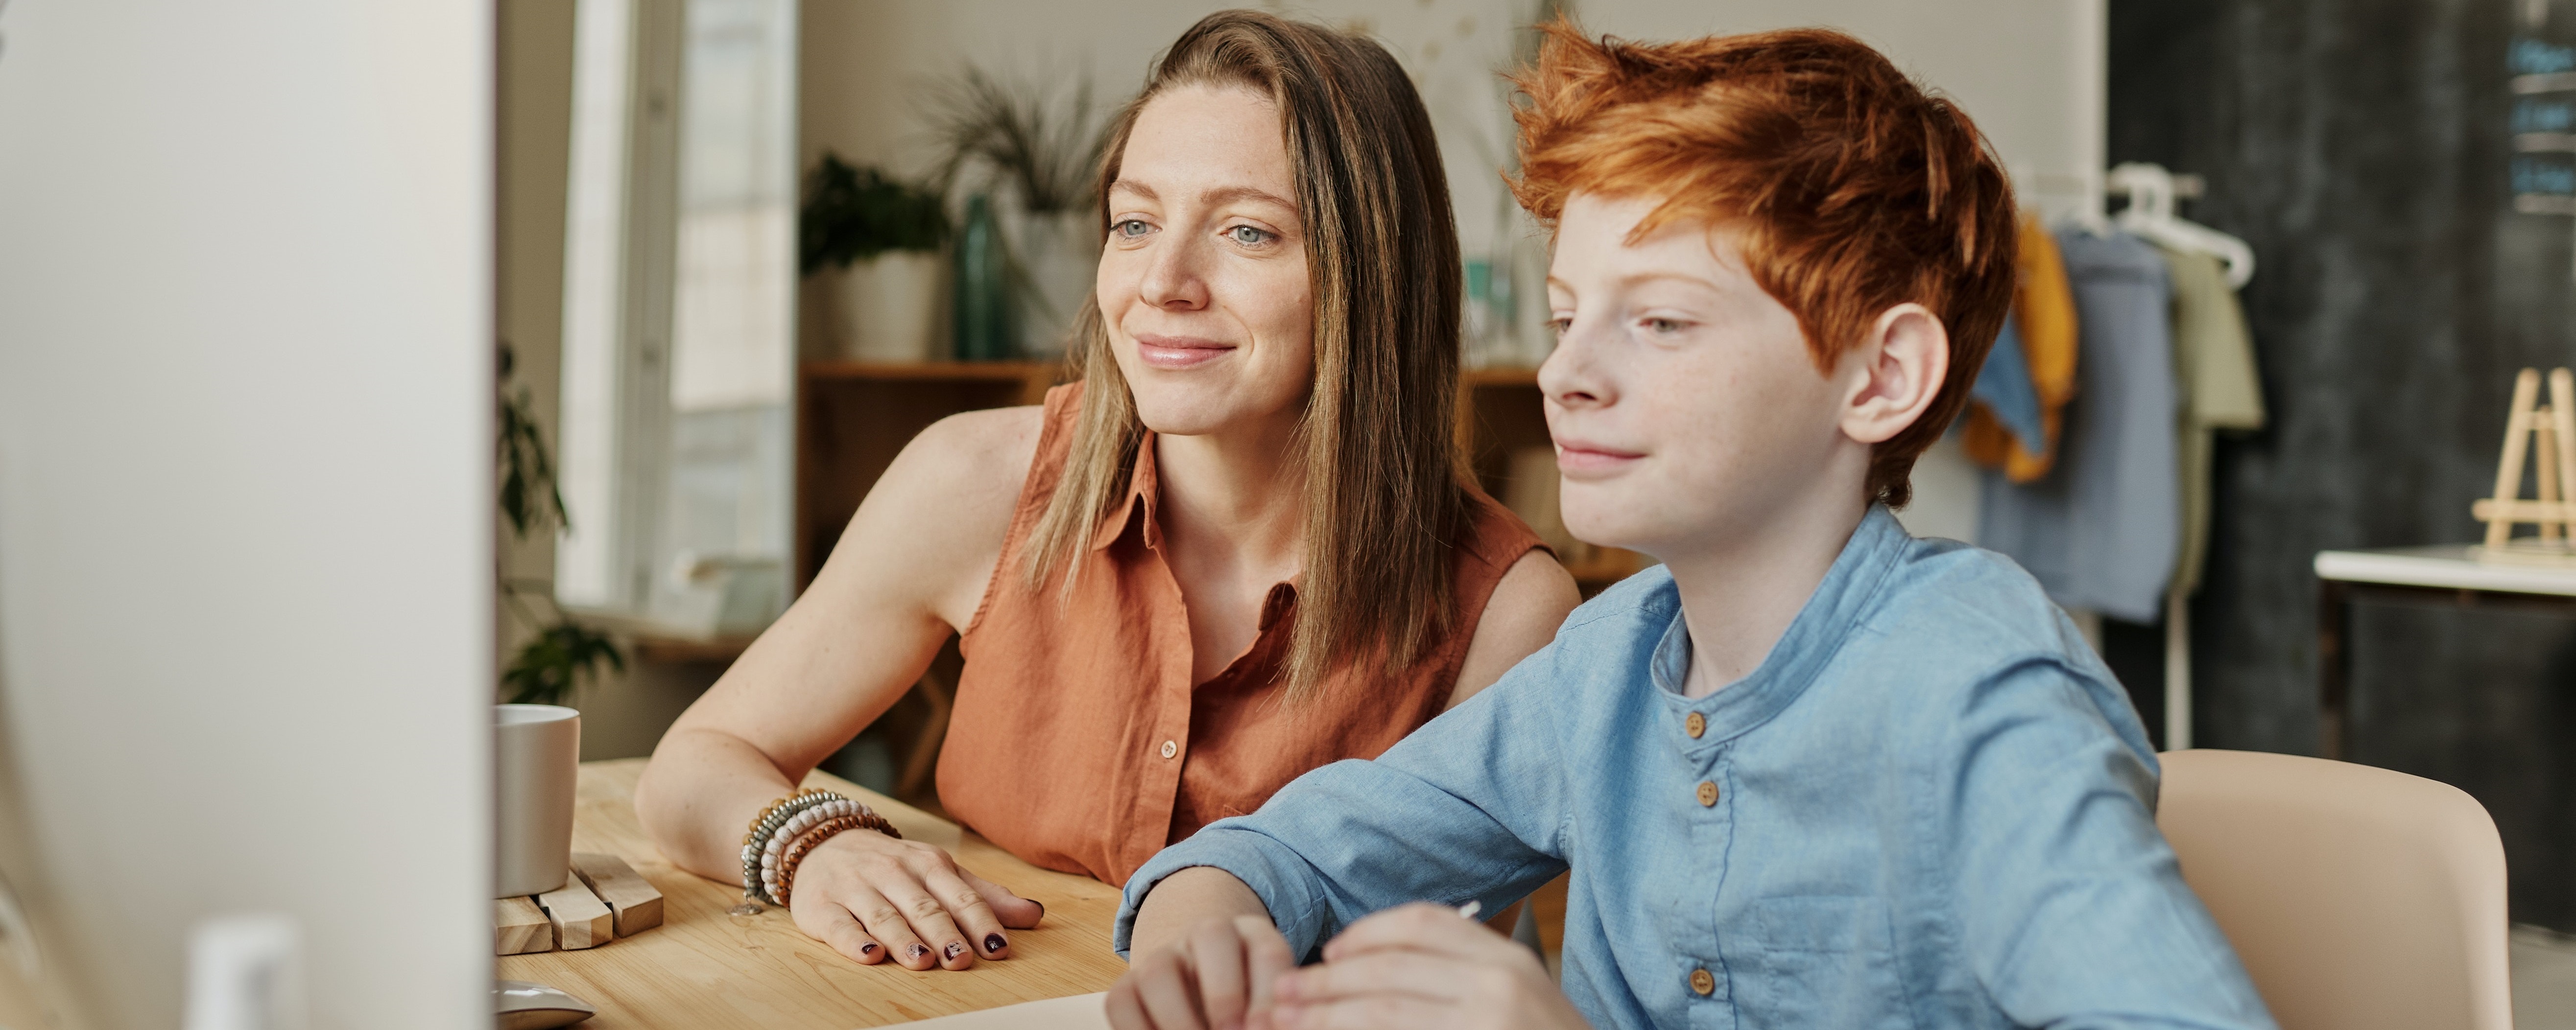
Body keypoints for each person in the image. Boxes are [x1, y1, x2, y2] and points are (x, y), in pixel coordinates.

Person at [1107, 23, 2278, 1030]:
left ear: (1879, 376)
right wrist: (1200, 930)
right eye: (1569, 314)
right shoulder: (1605, 666)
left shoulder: (1977, 691)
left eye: (1660, 322)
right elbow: (1288, 849)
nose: (1568, 372)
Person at [631, 10, 1580, 974]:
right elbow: (695, 760)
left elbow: (1433, 970)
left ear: (1371, 272)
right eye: (1133, 222)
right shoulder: (974, 481)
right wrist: (817, 845)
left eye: (1246, 231)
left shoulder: (1504, 610)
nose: (1161, 281)